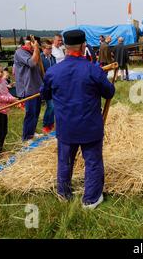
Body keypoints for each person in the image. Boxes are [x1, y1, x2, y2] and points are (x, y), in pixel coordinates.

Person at [40, 29, 115, 209]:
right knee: (93, 162)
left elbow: (45, 94)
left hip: (66, 126)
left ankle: (63, 193)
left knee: (65, 161)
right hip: (89, 126)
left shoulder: (53, 71)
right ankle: (90, 200)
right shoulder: (93, 69)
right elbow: (109, 92)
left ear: (65, 47)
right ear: (83, 46)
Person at [14, 35, 43, 141]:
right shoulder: (20, 52)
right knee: (30, 113)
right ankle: (26, 137)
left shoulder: (32, 52)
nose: (31, 45)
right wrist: (36, 49)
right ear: (24, 43)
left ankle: (31, 132)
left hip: (36, 87)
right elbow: (32, 62)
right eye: (29, 43)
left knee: (36, 112)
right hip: (28, 88)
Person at [40, 43, 57, 134]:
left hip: (53, 84)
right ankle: (46, 124)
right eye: (48, 48)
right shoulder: (40, 59)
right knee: (50, 106)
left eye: (51, 48)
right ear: (43, 48)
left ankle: (50, 123)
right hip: (45, 85)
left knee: (53, 106)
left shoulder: (53, 58)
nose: (50, 50)